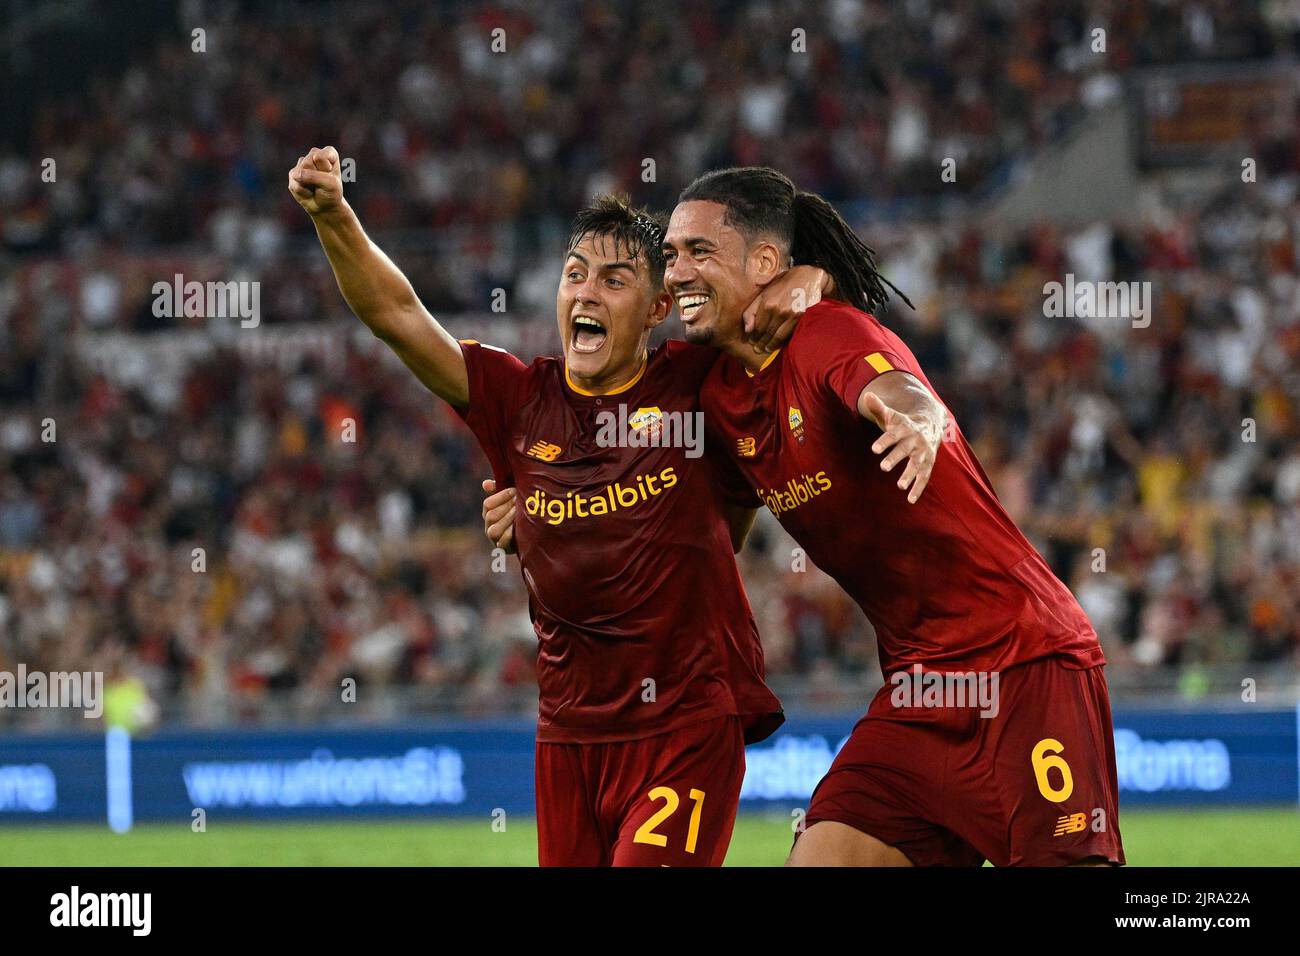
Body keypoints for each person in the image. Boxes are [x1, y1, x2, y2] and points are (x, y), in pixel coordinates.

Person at [289, 147, 829, 866]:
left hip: (685, 727)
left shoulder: (697, 384)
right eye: (574, 276)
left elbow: (785, 325)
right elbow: (398, 315)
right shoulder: (519, 400)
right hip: (569, 736)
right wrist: (334, 216)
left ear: (658, 308)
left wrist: (811, 277)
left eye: (614, 280)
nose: (587, 294)